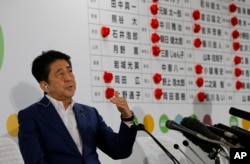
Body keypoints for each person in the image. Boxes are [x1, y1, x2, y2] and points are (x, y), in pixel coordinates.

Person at [17, 50, 137, 164]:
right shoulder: (31, 116)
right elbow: (35, 161)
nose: (69, 78)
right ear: (44, 85)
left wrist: (127, 117)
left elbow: (119, 150)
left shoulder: (90, 113)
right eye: (60, 74)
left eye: (70, 71)